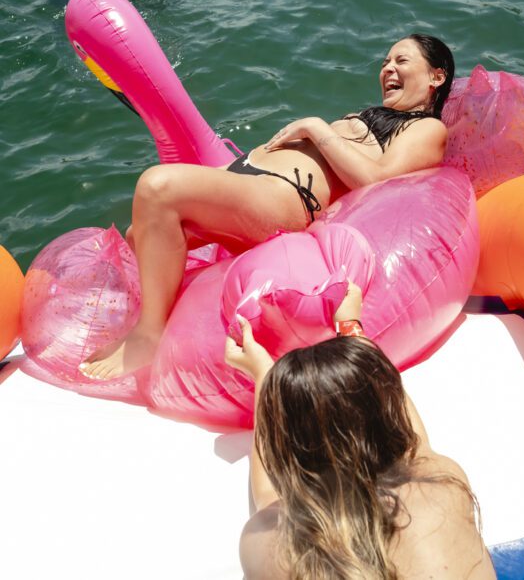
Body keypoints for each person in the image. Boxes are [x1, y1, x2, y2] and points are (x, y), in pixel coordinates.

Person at [79, 34, 454, 381]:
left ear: (436, 77)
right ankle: (161, 316)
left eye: (401, 61)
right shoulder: (378, 116)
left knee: (156, 186)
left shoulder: (426, 128)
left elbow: (376, 180)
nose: (387, 68)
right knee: (137, 234)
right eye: (385, 61)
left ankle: (150, 334)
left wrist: (314, 127)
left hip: (284, 197)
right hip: (252, 178)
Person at [224, 283, 496, 579]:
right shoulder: (444, 488)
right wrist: (351, 328)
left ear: (285, 450)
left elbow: (267, 500)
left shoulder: (269, 547)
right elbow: (415, 445)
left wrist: (264, 377)